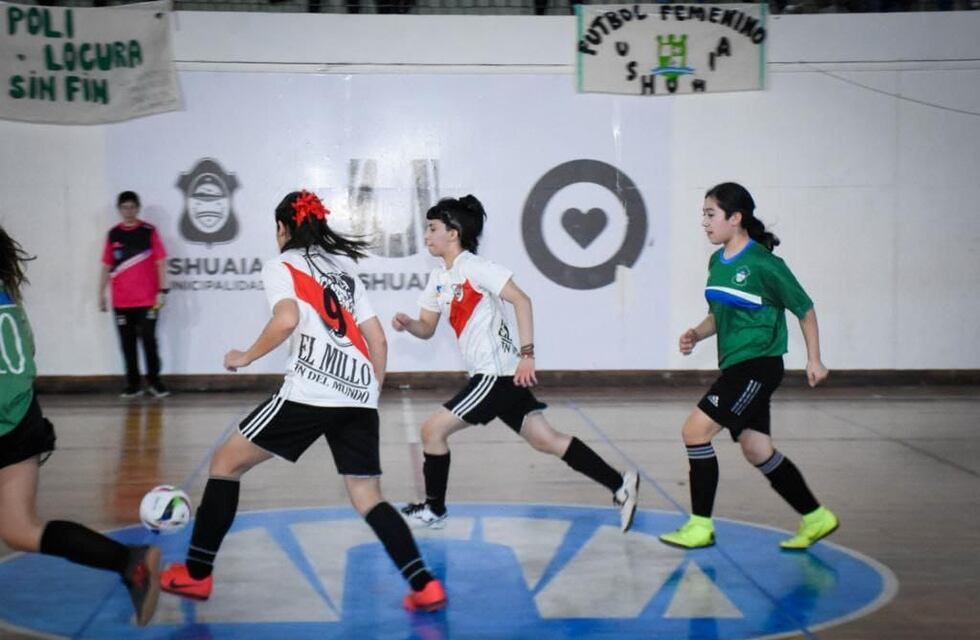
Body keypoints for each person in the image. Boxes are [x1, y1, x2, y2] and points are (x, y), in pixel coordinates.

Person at [159, 191, 446, 613]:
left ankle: (197, 576)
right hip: (358, 394)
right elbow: (377, 339)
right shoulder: (343, 270)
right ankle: (424, 585)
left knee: (225, 464)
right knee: (368, 495)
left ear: (282, 229)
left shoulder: (281, 266)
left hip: (309, 392)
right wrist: (368, 392)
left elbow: (287, 319)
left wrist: (246, 355)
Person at [392, 195, 640, 532]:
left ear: (453, 233)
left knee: (432, 430)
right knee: (546, 439)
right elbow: (427, 328)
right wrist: (410, 325)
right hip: (498, 377)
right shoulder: (439, 279)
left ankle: (434, 510)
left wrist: (528, 355)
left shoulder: (475, 267)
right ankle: (620, 483)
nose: (426, 235)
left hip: (495, 376)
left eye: (432, 228)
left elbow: (521, 300)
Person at [658, 182, 838, 551]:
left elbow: (804, 308)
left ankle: (699, 526)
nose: (705, 223)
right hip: (737, 368)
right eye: (703, 215)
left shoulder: (763, 264)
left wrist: (814, 359)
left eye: (711, 214)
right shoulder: (716, 261)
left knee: (694, 432)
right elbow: (717, 315)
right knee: (757, 449)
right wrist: (697, 333)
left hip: (757, 367)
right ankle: (816, 516)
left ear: (735, 218)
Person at [0, 225, 161, 626]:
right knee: (20, 530)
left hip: (8, 422)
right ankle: (129, 561)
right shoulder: (9, 301)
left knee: (20, 528)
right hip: (20, 424)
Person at [98, 191, 170, 398]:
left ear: (138, 208)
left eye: (132, 207)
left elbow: (160, 262)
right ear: (119, 210)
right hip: (121, 301)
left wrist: (162, 291)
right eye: (124, 208)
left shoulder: (149, 231)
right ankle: (133, 385)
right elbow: (106, 265)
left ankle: (155, 383)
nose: (128, 211)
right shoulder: (113, 234)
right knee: (127, 344)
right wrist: (101, 293)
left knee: (149, 341)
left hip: (148, 300)